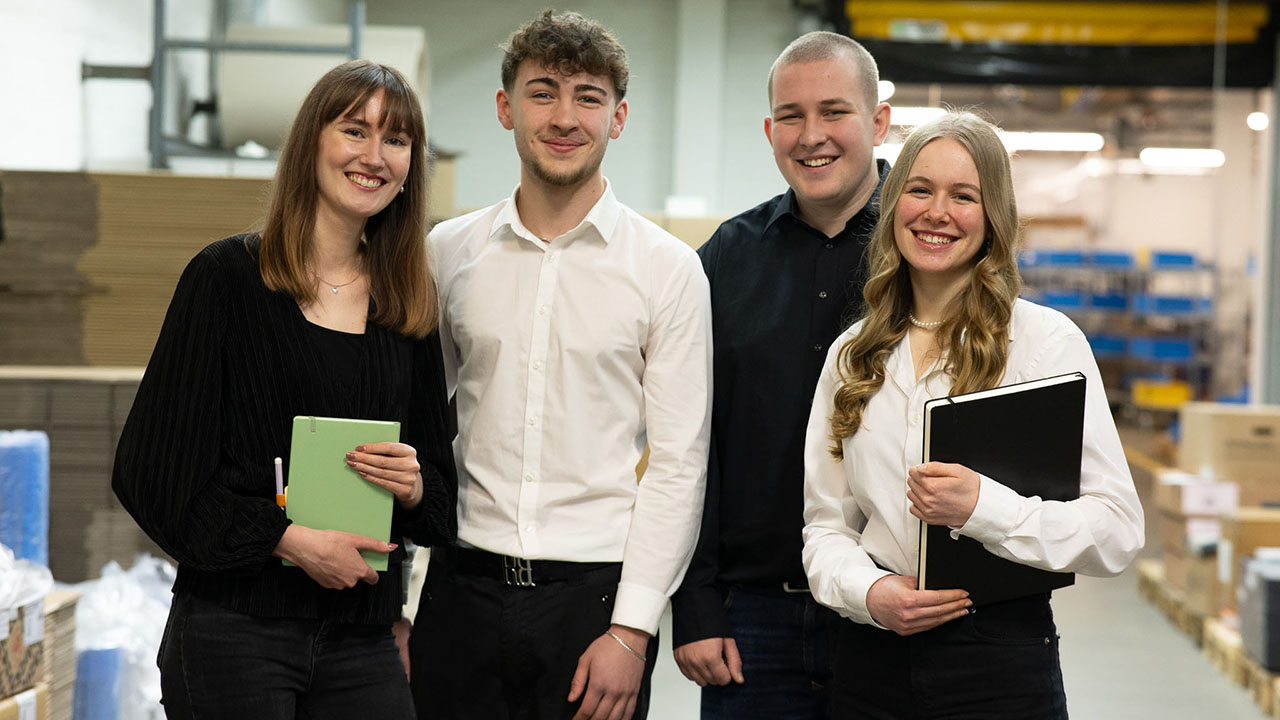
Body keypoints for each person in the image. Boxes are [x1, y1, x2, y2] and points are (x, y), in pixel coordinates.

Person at [111, 60, 456, 720]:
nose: (374, 156)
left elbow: (439, 501)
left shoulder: (406, 304)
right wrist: (288, 539)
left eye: (396, 139)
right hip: (235, 633)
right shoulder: (226, 281)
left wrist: (412, 485)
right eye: (355, 131)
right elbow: (150, 473)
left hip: (362, 637)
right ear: (312, 143)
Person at [410, 10, 712, 720]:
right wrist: (396, 605)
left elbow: (677, 462)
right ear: (505, 106)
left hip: (593, 604)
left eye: (589, 96)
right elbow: (412, 435)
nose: (564, 116)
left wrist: (632, 630)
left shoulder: (666, 270)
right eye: (542, 91)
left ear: (619, 116)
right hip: (460, 591)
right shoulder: (446, 254)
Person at [801, 111, 1144, 718]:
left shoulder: (1044, 343)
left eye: (964, 196)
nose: (936, 212)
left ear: (993, 220)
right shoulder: (852, 353)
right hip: (868, 660)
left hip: (999, 663)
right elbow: (826, 526)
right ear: (894, 202)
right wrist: (870, 591)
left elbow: (1116, 532)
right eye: (920, 189)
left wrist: (984, 508)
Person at [670, 32, 890, 718]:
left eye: (834, 111)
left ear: (878, 121)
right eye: (791, 116)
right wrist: (696, 602)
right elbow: (687, 442)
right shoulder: (724, 260)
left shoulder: (926, 253)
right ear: (769, 130)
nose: (811, 135)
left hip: (891, 609)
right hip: (752, 621)